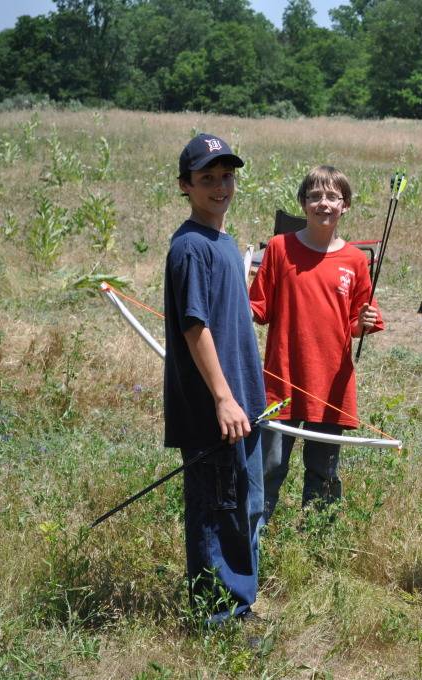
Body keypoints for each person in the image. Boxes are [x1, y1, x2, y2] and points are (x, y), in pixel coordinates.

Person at [163, 133, 266, 624]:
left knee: (238, 508)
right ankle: (217, 617)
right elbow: (194, 327)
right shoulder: (189, 248)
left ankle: (239, 605)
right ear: (185, 185)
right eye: (207, 178)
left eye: (227, 176)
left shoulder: (223, 242)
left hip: (242, 403)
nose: (220, 186)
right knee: (216, 510)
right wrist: (223, 399)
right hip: (214, 411)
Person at [249, 165, 383, 521]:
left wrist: (363, 324)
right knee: (268, 467)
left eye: (331, 197)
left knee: (323, 471)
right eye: (314, 196)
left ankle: (317, 541)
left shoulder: (355, 260)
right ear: (303, 203)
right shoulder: (279, 249)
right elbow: (257, 309)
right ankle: (252, 542)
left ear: (345, 205)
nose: (323, 203)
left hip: (330, 387)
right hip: (282, 381)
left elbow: (358, 322)